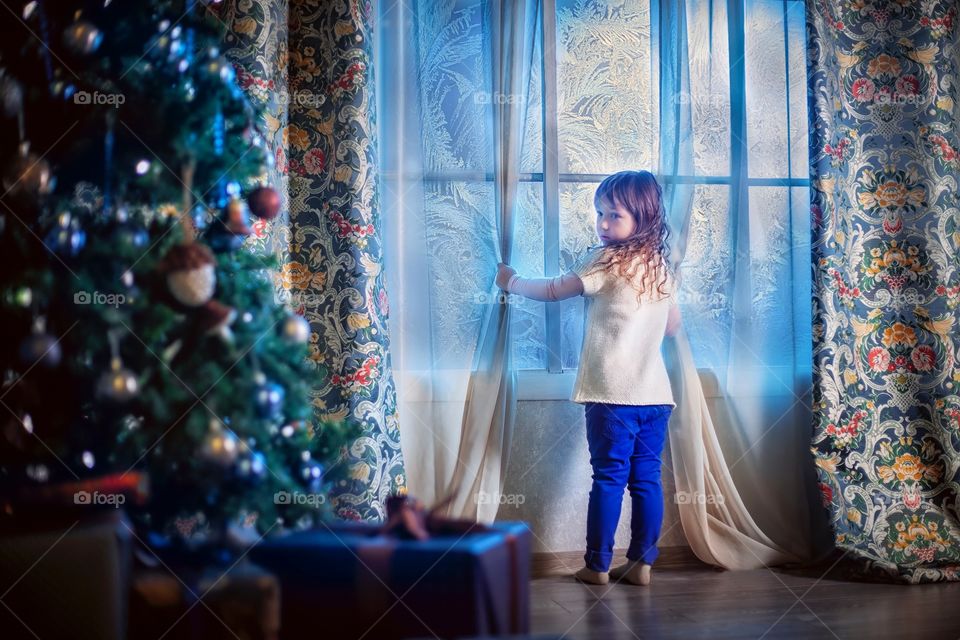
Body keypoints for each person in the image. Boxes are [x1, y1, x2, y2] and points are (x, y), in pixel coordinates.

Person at [495, 170, 681, 587]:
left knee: (609, 479)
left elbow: (554, 291)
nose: (602, 224)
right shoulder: (659, 266)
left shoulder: (606, 260)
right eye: (599, 213)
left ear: (643, 217)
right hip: (655, 396)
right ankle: (641, 565)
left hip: (613, 395)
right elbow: (672, 326)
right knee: (646, 479)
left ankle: (596, 566)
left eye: (614, 215)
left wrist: (511, 281)